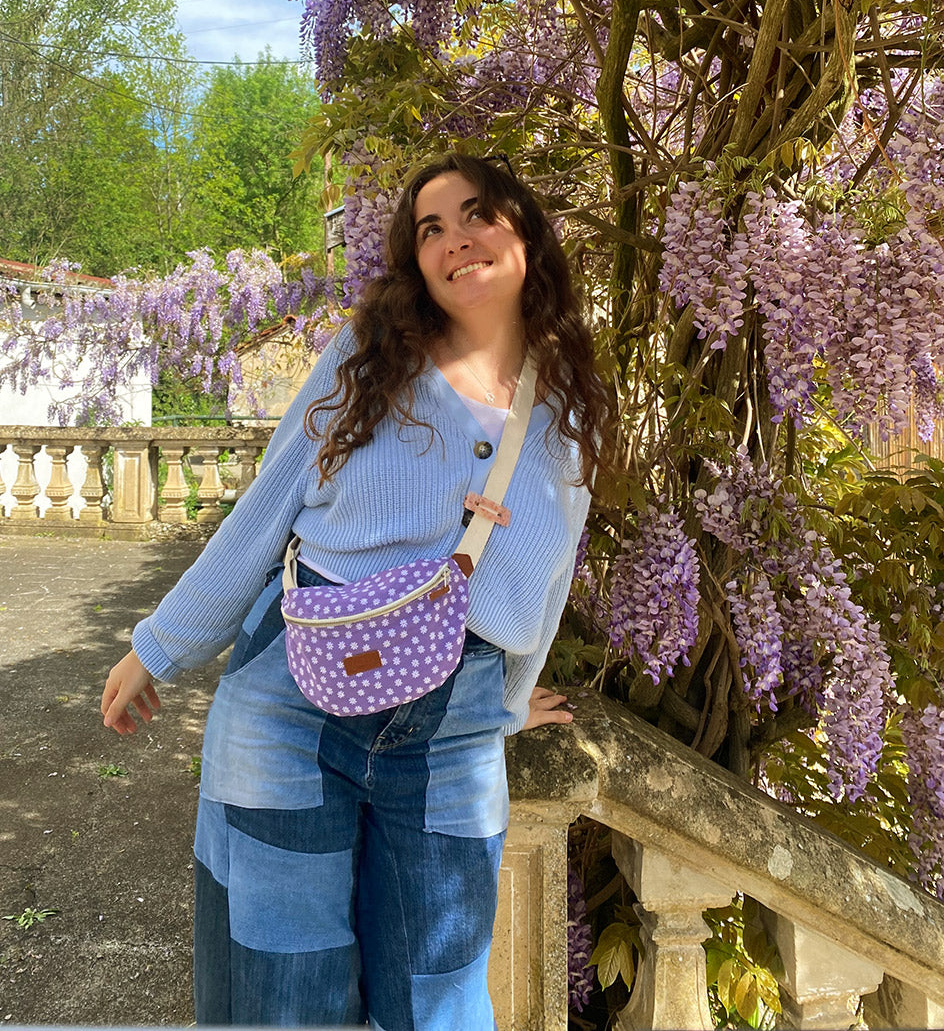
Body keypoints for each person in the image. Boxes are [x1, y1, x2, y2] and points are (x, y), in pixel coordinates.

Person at [100, 152, 609, 1030]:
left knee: (438, 997)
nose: (456, 240)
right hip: (287, 702)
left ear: (524, 229)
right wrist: (160, 644)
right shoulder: (368, 359)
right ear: (416, 262)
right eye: (431, 230)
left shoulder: (568, 411)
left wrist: (511, 701)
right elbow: (267, 511)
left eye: (477, 214)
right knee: (281, 990)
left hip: (452, 730)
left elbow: (551, 570)